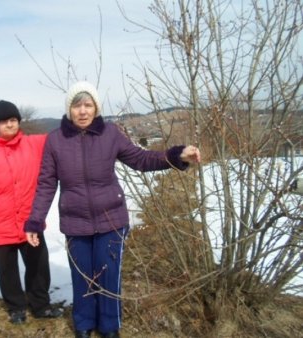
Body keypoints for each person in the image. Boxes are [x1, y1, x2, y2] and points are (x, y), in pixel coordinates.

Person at [24, 81, 201, 338]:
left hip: (111, 220)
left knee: (109, 276)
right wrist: (35, 221)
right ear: (69, 109)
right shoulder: (55, 141)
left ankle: (109, 327)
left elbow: (141, 159)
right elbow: (46, 184)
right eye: (77, 105)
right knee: (82, 276)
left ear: (96, 107)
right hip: (76, 222)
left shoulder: (111, 134)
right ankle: (83, 324)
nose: (82, 111)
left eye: (88, 105)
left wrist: (176, 155)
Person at [0, 100, 63, 324]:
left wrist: (73, 121)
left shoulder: (33, 144)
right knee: (7, 271)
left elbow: (58, 138)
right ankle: (16, 307)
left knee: (38, 266)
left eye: (14, 120)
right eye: (5, 121)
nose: (10, 125)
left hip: (30, 223)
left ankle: (41, 305)